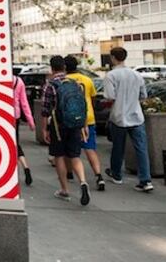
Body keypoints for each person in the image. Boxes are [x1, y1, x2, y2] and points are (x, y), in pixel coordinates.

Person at [41, 56, 90, 205]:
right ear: (64, 68)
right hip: (75, 124)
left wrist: (44, 129)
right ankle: (82, 181)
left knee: (59, 156)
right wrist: (84, 125)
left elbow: (45, 110)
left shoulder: (50, 85)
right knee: (75, 156)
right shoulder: (75, 83)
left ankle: (64, 189)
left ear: (52, 68)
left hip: (58, 126)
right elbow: (83, 106)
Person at [103, 47, 153, 192]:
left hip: (119, 116)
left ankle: (116, 174)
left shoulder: (111, 76)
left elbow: (109, 96)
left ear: (113, 58)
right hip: (136, 115)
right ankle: (145, 179)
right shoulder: (137, 75)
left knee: (118, 147)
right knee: (141, 149)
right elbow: (143, 95)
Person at [64, 55, 105, 191]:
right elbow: (92, 98)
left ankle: (69, 173)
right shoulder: (87, 80)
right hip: (88, 117)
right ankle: (98, 175)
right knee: (90, 148)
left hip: (70, 118)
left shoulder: (65, 81)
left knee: (70, 149)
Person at [13, 69, 36, 185]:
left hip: (2, 116)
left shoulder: (1, 81)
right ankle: (25, 167)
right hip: (15, 116)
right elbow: (24, 104)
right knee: (16, 143)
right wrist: (31, 122)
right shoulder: (19, 81)